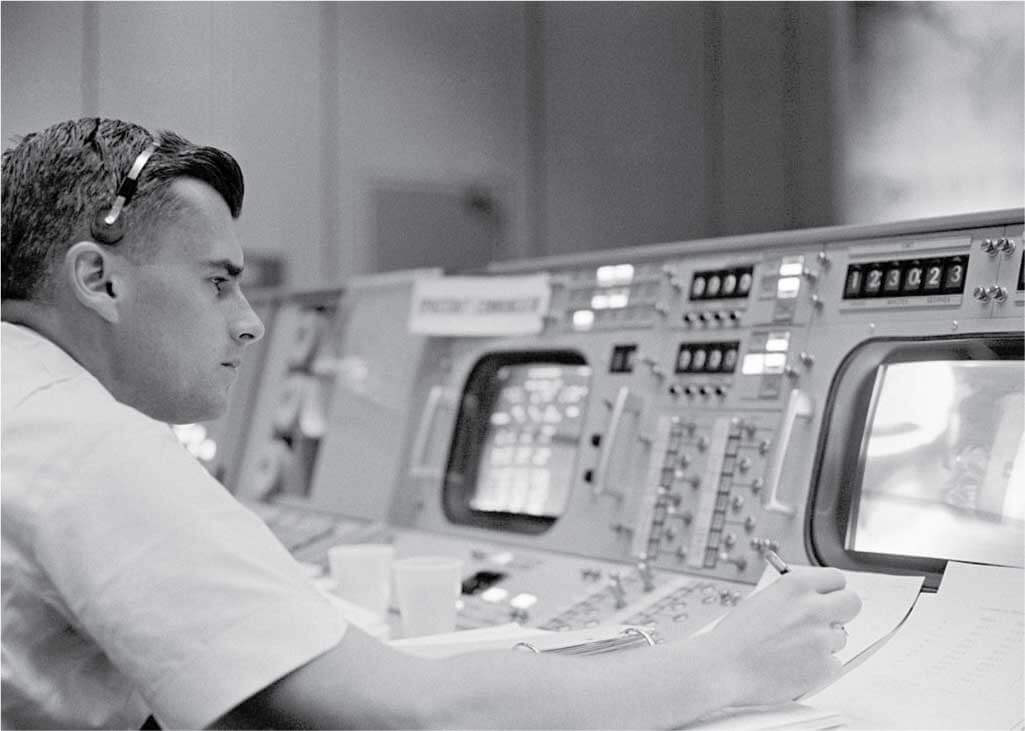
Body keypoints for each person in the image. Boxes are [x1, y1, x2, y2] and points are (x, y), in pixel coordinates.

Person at [1, 117, 862, 730]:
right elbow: (409, 715)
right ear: (99, 279)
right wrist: (724, 663)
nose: (250, 321)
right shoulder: (87, 445)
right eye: (218, 282)